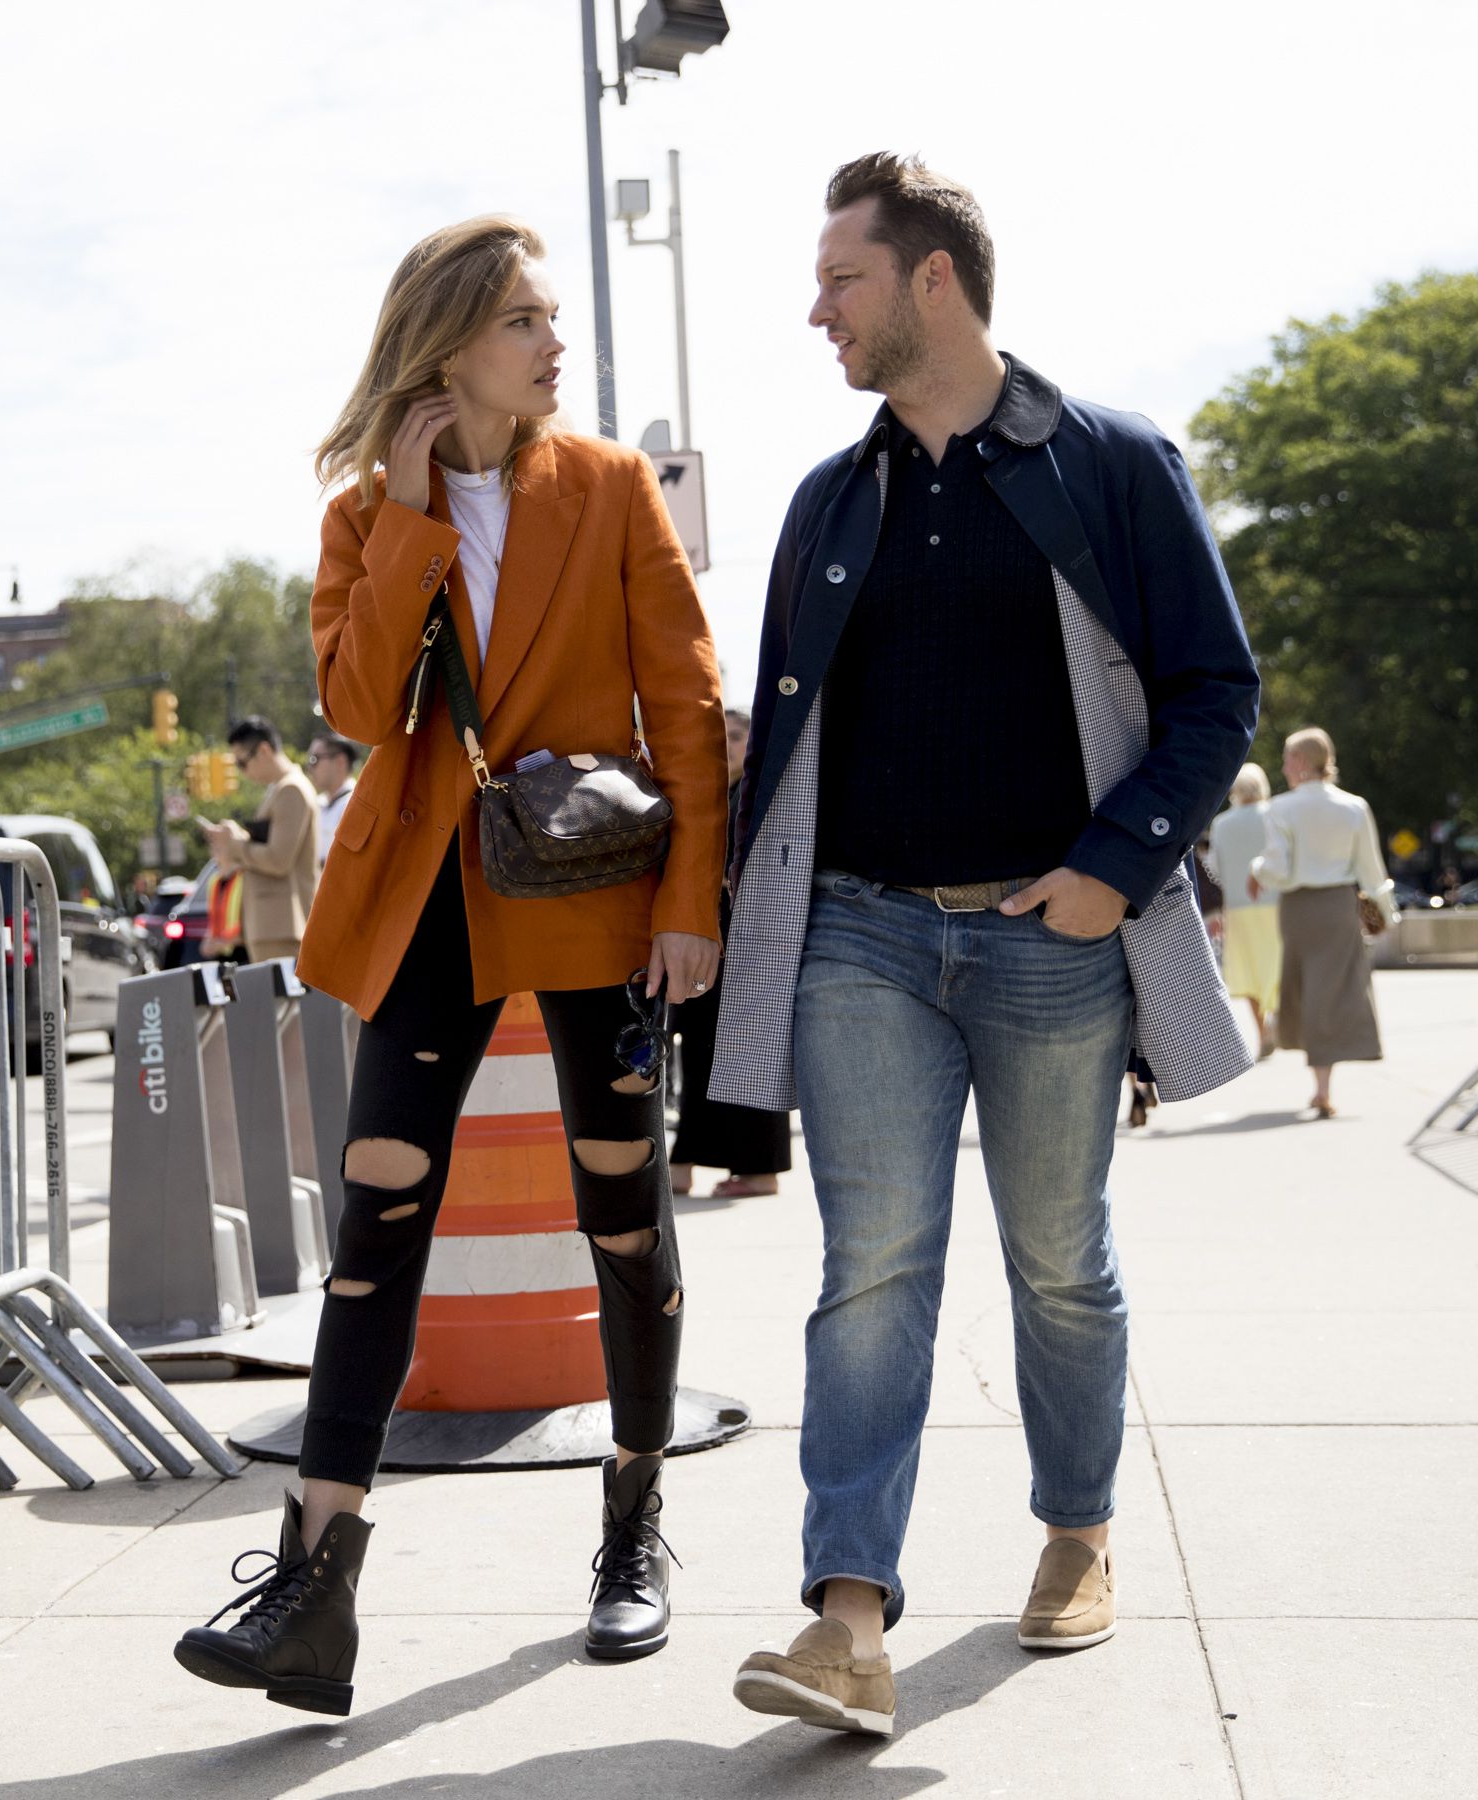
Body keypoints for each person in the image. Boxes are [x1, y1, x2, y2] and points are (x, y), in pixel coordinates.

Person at [709, 153, 1256, 1738]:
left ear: (933, 277)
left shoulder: (1113, 463)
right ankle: (847, 1623)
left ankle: (1077, 1529)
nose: (818, 309)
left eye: (843, 278)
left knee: (1056, 1265)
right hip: (860, 937)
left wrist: (1110, 867)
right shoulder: (829, 500)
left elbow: (1218, 691)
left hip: (1052, 940)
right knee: (870, 1268)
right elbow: (790, 747)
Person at [171, 215, 725, 1715]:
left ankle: (630, 1522)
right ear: (451, 347)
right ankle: (315, 1583)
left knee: (621, 1205)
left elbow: (684, 697)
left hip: (595, 891)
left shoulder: (608, 485)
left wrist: (694, 898)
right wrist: (413, 512)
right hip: (432, 898)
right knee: (378, 1219)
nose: (556, 345)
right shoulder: (369, 513)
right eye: (525, 324)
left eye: (553, 318)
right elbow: (357, 705)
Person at [670, 707, 794, 1199]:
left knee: (751, 1053)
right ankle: (684, 1159)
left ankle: (760, 1170)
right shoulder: (702, 793)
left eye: (738, 735)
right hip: (703, 938)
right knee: (697, 1054)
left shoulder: (761, 793)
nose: (727, 745)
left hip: (750, 945)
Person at [1250, 726, 1394, 1119]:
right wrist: (1387, 912)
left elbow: (1276, 868)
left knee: (1306, 987)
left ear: (1299, 761)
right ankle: (1324, 1087)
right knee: (1334, 988)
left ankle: (1317, 1083)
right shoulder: (1354, 807)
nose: (1283, 766)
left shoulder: (1280, 807)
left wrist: (1257, 868)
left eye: (1286, 758)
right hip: (1338, 905)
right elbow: (1371, 869)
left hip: (1298, 908)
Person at [200, 717, 319, 964]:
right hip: (275, 925)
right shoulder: (281, 789)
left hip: (282, 926)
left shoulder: (291, 790)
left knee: (282, 1002)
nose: (242, 771)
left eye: (242, 762)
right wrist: (236, 839)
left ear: (264, 750)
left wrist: (234, 845)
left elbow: (278, 860)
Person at [1210, 762, 1282, 1058]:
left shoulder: (1222, 824)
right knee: (1277, 965)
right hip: (1276, 903)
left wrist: (1216, 913)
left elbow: (1215, 872)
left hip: (1237, 908)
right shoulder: (1276, 814)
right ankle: (1277, 1018)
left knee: (1249, 970)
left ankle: (1263, 1029)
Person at [305, 730, 362, 864]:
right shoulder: (317, 803)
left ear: (340, 761)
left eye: (314, 759)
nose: (309, 767)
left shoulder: (357, 805)